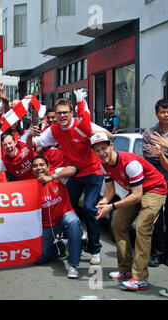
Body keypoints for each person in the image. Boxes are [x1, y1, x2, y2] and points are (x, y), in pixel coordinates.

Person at [26, 96, 105, 265]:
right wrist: (29, 135)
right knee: (67, 210)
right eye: (59, 113)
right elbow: (34, 146)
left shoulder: (81, 124)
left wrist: (96, 135)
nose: (62, 116)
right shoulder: (54, 130)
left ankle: (95, 249)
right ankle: (71, 242)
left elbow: (109, 135)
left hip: (92, 171)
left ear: (72, 113)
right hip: (73, 173)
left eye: (65, 113)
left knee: (90, 208)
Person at [92, 132, 167, 291]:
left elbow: (137, 195)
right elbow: (110, 191)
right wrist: (104, 202)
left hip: (154, 189)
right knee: (117, 224)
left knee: (142, 228)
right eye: (97, 150)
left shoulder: (129, 163)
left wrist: (111, 207)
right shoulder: (104, 164)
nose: (101, 153)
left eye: (103, 148)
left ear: (111, 146)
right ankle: (125, 269)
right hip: (135, 192)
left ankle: (140, 278)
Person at [31, 155, 82, 279]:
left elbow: (75, 169)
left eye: (42, 165)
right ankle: (63, 245)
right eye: (35, 166)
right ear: (32, 170)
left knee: (73, 221)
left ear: (48, 167)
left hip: (64, 216)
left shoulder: (57, 175)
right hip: (47, 226)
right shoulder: (30, 186)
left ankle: (73, 265)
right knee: (38, 258)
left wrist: (52, 177)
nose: (39, 168)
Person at [142, 98, 168, 268]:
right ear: (156, 114)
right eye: (162, 112)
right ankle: (156, 254)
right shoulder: (149, 133)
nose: (166, 115)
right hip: (157, 183)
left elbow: (159, 156)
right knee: (155, 220)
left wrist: (164, 149)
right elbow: (150, 157)